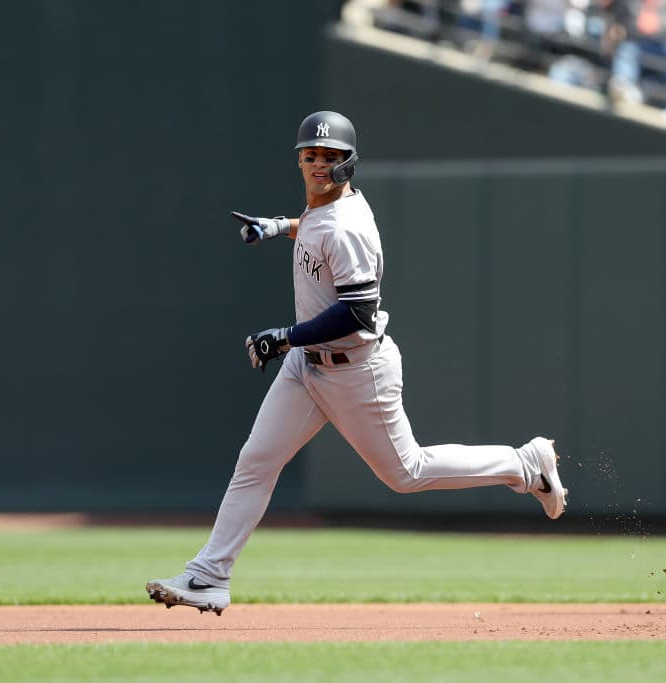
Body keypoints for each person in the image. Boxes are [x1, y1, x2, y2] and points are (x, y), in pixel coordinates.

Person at [146, 110, 568, 616]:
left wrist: (284, 337)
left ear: (349, 163)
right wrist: (280, 226)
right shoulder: (329, 211)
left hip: (356, 368)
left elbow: (356, 314)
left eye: (331, 157)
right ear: (300, 159)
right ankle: (210, 575)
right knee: (256, 461)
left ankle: (524, 464)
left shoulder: (346, 225)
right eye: (312, 155)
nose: (320, 164)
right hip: (308, 367)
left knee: (406, 472)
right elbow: (317, 225)